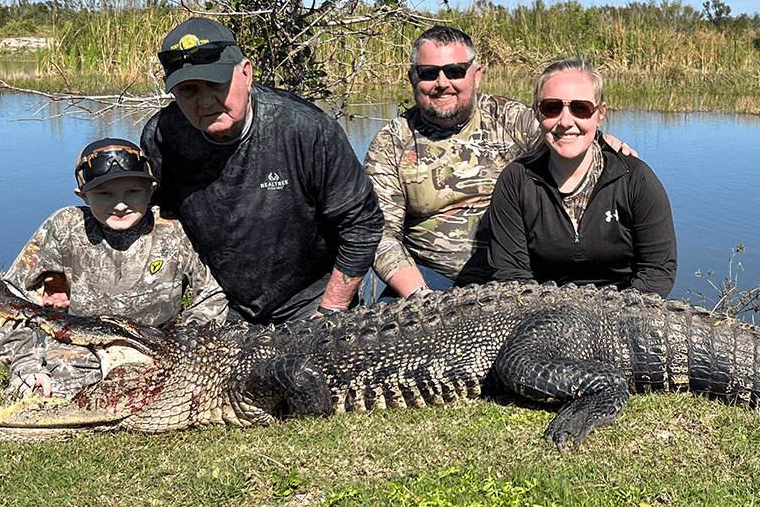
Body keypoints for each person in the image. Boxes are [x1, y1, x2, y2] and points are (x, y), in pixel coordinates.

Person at [363, 25, 639, 298]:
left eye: (455, 71)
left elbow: (566, 137)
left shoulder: (510, 119)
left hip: (527, 278)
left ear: (477, 74)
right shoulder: (390, 143)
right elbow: (380, 234)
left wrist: (603, 143)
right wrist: (420, 295)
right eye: (429, 73)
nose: (442, 83)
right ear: (412, 77)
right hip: (431, 279)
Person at [140, 17, 384, 324]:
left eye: (216, 84)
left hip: (310, 304)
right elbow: (160, 222)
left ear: (246, 73)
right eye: (188, 89)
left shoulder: (306, 129)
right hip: (219, 305)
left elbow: (363, 224)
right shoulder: (162, 136)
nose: (204, 101)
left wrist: (329, 312)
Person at [0, 137, 228, 398]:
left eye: (132, 191)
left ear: (151, 189)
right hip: (77, 357)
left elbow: (211, 294)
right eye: (104, 193)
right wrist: (26, 365)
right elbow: (10, 298)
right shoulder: (63, 227)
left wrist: (188, 346)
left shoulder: (173, 227)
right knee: (33, 400)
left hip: (157, 355)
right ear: (82, 195)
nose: (120, 205)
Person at [485, 59, 677, 295]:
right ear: (537, 113)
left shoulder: (635, 179)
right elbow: (511, 276)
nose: (566, 122)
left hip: (624, 312)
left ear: (600, 114)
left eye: (580, 108)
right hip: (543, 311)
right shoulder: (515, 181)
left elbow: (658, 272)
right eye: (552, 108)